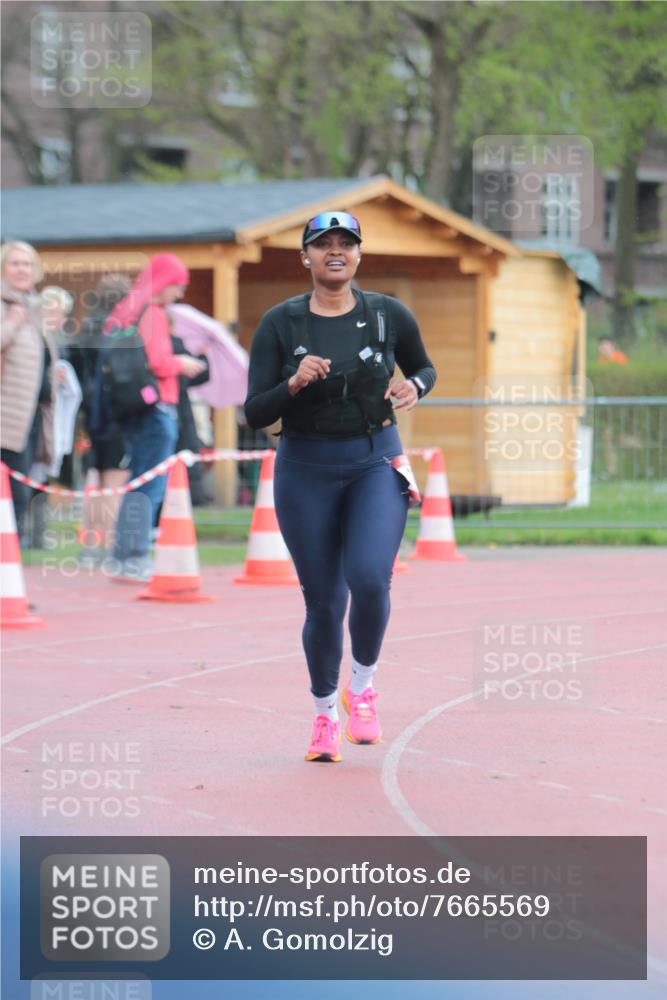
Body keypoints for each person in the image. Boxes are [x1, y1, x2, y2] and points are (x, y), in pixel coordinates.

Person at [245, 211, 436, 763]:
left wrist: (414, 387)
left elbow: (425, 367)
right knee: (324, 602)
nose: (335, 252)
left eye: (345, 244)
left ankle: (364, 686)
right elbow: (255, 411)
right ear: (304, 257)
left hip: (375, 459)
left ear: (359, 255)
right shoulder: (280, 324)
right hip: (305, 467)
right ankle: (326, 715)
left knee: (372, 578)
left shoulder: (387, 314)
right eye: (322, 244)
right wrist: (294, 382)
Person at [106, 254, 206, 582]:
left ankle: (124, 555)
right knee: (151, 485)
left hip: (135, 409)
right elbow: (159, 362)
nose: (179, 294)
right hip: (158, 407)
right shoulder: (154, 313)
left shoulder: (128, 310)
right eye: (177, 287)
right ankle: (133, 557)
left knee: (138, 481)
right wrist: (182, 362)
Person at [66, 273, 132, 566]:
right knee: (114, 482)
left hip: (90, 414)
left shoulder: (84, 330)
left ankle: (90, 545)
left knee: (96, 479)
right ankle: (106, 545)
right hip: (116, 412)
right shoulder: (119, 330)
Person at [0, 241, 57, 545]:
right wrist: (9, 324)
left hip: (31, 417)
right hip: (5, 417)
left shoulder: (34, 309)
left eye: (27, 264)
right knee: (13, 493)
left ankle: (9, 569)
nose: (22, 270)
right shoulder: (6, 307)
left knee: (20, 493)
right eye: (15, 263)